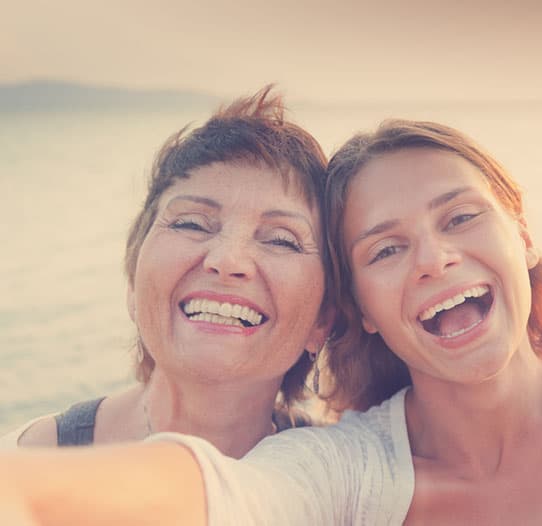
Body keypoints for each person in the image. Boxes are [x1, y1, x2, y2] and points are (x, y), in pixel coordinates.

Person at [1, 119, 542, 525]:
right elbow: (224, 494)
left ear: (521, 238)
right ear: (361, 314)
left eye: (460, 218)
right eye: (385, 250)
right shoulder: (346, 471)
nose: (433, 260)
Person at [0, 85, 332, 458]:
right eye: (191, 224)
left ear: (324, 319)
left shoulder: (358, 493)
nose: (227, 260)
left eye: (281, 240)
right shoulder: (24, 465)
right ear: (133, 280)